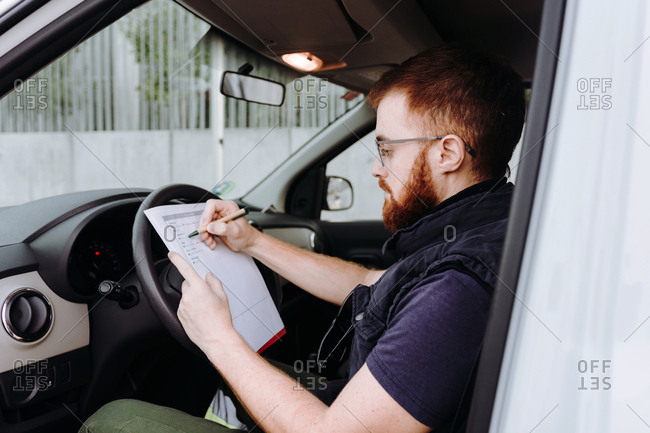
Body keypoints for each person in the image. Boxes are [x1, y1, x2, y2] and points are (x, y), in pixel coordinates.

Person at [81, 43, 525, 433]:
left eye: (387, 150)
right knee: (206, 368)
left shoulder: (458, 286)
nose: (375, 167)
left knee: (116, 419)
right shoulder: (487, 227)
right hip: (358, 402)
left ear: (447, 152)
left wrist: (217, 336)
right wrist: (251, 240)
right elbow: (371, 283)